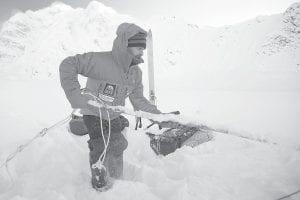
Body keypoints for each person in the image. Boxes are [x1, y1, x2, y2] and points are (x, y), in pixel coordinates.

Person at [59, 23, 161, 190]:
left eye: (143, 48)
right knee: (103, 144)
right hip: (92, 112)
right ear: (126, 44)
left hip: (113, 114)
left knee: (118, 144)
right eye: (139, 47)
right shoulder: (100, 61)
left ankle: (116, 180)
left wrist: (159, 116)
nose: (142, 51)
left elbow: (139, 101)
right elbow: (68, 64)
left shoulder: (135, 73)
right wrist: (76, 96)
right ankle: (100, 184)